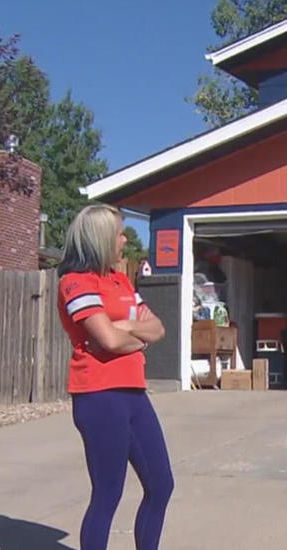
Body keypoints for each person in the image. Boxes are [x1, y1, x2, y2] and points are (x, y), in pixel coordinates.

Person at [57, 204, 173, 550]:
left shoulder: (120, 280)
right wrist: (132, 337)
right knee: (108, 493)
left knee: (161, 485)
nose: (125, 240)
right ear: (101, 239)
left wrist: (127, 328)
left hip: (134, 394)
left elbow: (159, 327)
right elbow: (107, 339)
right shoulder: (75, 283)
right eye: (121, 234)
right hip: (99, 396)